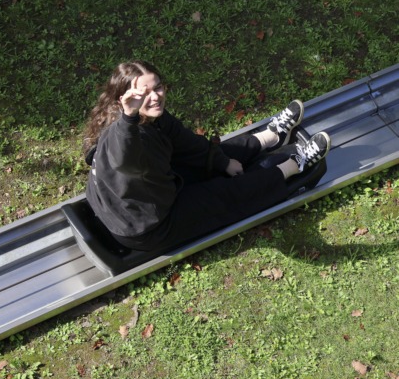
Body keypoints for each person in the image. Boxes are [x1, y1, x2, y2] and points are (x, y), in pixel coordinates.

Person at [83, 60, 330, 252]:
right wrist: (129, 118)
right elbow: (124, 161)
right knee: (223, 195)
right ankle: (294, 166)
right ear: (123, 101)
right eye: (143, 94)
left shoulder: (152, 117)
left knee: (211, 153)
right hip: (147, 226)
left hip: (147, 191)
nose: (155, 96)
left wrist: (223, 161)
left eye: (157, 87)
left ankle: (271, 137)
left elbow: (185, 142)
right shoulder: (123, 133)